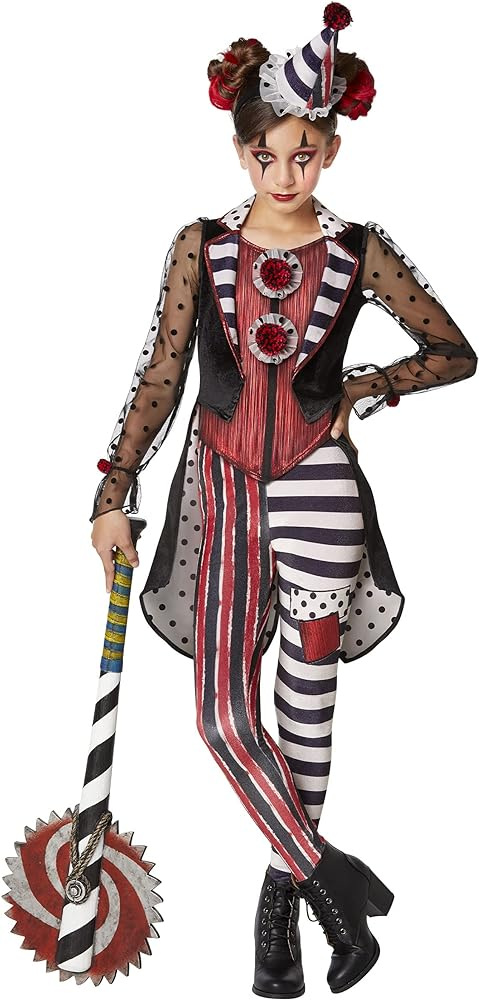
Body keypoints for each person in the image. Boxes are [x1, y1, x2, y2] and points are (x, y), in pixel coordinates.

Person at [90, 5, 477, 995]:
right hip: (219, 487)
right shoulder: (200, 246)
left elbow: (452, 351)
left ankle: (279, 919)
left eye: (303, 154)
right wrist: (112, 489)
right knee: (222, 716)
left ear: (330, 150)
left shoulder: (358, 250)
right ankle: (329, 878)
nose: (284, 172)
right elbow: (161, 374)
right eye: (265, 154)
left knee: (304, 714)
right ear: (240, 151)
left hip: (320, 493)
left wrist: (364, 388)